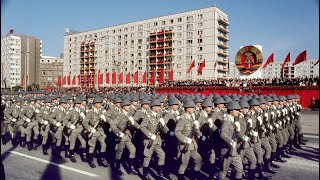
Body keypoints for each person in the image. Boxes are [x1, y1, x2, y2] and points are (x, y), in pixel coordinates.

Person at [140, 99, 168, 180]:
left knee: (162, 155)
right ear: (153, 107)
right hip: (149, 140)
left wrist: (163, 125)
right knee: (147, 157)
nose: (160, 107)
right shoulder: (148, 116)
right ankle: (145, 175)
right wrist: (149, 135)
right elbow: (142, 127)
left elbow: (164, 129)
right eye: (158, 106)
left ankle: (160, 174)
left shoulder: (159, 115)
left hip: (157, 140)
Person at [175, 99, 203, 180]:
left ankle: (195, 177)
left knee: (198, 160)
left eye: (194, 107)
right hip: (185, 145)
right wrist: (186, 140)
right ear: (187, 108)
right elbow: (177, 132)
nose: (194, 109)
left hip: (193, 145)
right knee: (184, 164)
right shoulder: (182, 119)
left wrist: (198, 131)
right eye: (192, 107)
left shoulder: (191, 118)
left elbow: (194, 131)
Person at [111, 98, 140, 176]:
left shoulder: (128, 114)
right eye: (127, 106)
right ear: (123, 107)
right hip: (122, 136)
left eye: (129, 105)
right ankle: (117, 168)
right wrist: (118, 133)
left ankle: (131, 168)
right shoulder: (120, 115)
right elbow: (113, 125)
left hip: (128, 136)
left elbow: (134, 123)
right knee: (119, 152)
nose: (129, 107)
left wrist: (139, 127)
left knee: (133, 150)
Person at [218, 100, 243, 180]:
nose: (238, 111)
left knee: (239, 169)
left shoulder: (233, 120)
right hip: (227, 149)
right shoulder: (226, 121)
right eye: (236, 110)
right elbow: (223, 134)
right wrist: (231, 141)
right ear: (231, 111)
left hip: (234, 150)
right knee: (223, 171)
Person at [82, 96, 109, 168]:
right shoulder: (90, 112)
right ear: (95, 104)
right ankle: (90, 160)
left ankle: (101, 160)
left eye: (100, 103)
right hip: (93, 131)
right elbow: (85, 122)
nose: (100, 104)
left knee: (104, 145)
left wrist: (104, 119)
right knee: (92, 146)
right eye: (98, 103)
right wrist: (90, 129)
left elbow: (105, 122)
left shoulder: (101, 111)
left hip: (100, 131)